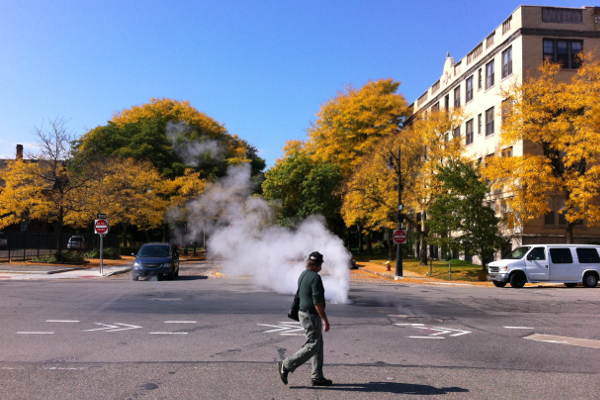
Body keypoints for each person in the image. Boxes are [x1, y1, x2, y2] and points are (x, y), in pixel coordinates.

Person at [278, 251, 332, 386]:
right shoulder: (315, 278)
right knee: (313, 345)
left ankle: (317, 376)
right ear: (319, 265)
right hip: (311, 315)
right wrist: (325, 320)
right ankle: (287, 364)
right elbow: (317, 302)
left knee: (318, 344)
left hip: (303, 313)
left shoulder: (304, 274)